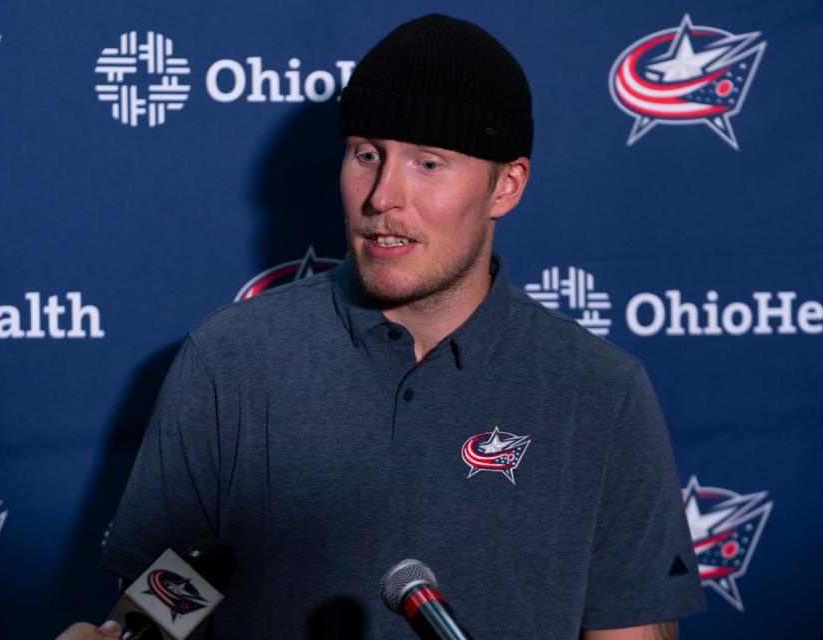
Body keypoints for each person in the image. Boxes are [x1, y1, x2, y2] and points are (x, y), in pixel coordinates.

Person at [60, 13, 705, 640]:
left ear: (505, 187)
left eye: (428, 163)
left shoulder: (599, 392)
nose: (381, 198)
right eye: (367, 154)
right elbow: (165, 607)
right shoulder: (230, 362)